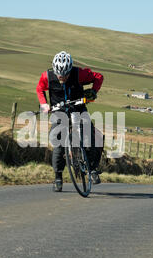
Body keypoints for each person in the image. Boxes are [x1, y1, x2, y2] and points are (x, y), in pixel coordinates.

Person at [36, 51, 104, 192]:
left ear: (70, 69)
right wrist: (44, 104)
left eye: (66, 75)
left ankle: (92, 170)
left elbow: (99, 77)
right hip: (58, 110)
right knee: (59, 143)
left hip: (78, 107)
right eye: (60, 75)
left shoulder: (79, 73)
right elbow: (40, 88)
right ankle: (58, 178)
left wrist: (93, 91)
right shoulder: (47, 76)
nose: (62, 78)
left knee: (91, 137)